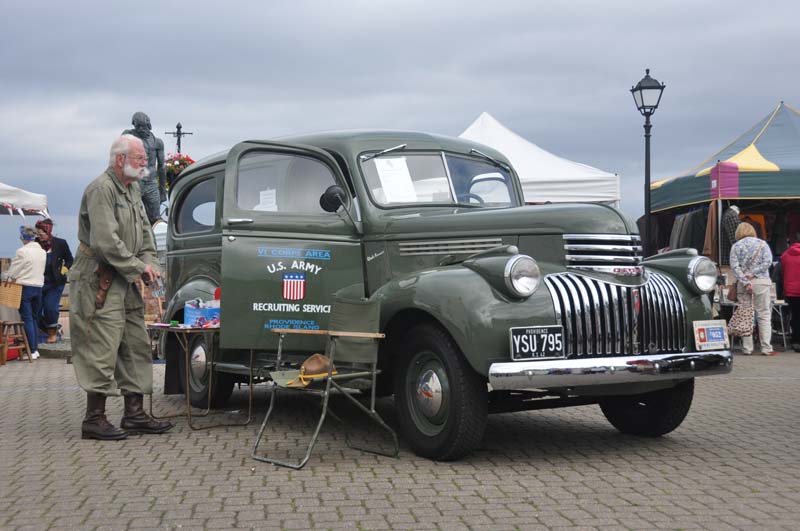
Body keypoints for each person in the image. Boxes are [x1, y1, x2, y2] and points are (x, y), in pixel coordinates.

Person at [70, 134, 173, 440]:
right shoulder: (101, 189)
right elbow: (105, 242)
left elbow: (145, 236)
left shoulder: (133, 190)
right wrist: (139, 267)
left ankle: (134, 414)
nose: (146, 164)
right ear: (120, 160)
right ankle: (94, 419)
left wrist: (149, 263)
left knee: (135, 344)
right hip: (99, 278)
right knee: (101, 346)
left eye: (145, 159)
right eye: (140, 159)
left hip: (124, 278)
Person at [730, 223, 775, 355]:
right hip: (761, 282)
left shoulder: (736, 246)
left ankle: (747, 348)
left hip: (743, 284)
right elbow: (768, 262)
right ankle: (766, 347)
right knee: (764, 314)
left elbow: (734, 267)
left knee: (746, 314)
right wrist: (754, 273)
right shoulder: (762, 244)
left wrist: (745, 281)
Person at [6, 226, 46, 359]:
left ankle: (31, 350)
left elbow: (13, 272)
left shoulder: (22, 251)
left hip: (25, 287)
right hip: (38, 287)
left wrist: (8, 276)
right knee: (34, 318)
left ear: (23, 237)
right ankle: (35, 349)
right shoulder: (42, 252)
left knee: (27, 319)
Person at [122, 112, 166, 225]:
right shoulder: (128, 136)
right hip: (135, 183)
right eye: (138, 126)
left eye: (143, 126)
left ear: (148, 125)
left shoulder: (157, 142)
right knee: (132, 216)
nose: (141, 129)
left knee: (155, 218)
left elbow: (161, 167)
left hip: (151, 183)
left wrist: (162, 191)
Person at [35, 218, 73, 343]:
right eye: (37, 233)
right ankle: (48, 329)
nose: (39, 235)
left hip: (56, 282)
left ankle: (52, 334)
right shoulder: (35, 244)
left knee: (50, 307)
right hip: (39, 281)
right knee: (35, 309)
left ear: (48, 231)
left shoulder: (60, 243)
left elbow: (69, 259)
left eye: (41, 233)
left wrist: (64, 269)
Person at [780, 232, 800, 351]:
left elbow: (782, 272)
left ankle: (796, 340)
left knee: (795, 315)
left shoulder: (785, 255)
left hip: (791, 291)